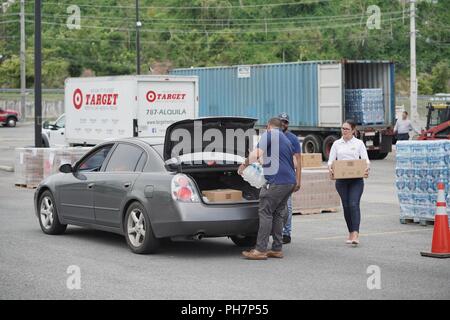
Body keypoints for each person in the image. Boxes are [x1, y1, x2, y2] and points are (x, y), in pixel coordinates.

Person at [238, 117, 296, 260]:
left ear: (268, 126)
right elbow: (293, 162)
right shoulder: (286, 139)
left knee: (265, 211)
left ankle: (260, 249)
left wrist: (244, 165)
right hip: (289, 182)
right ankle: (277, 248)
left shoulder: (269, 135)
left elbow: (256, 154)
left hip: (277, 182)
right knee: (277, 213)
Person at [327, 119, 370, 245]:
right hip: (341, 180)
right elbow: (331, 160)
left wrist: (367, 167)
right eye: (342, 128)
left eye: (347, 129)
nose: (344, 131)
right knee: (346, 206)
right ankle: (350, 232)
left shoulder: (359, 144)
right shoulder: (336, 144)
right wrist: (330, 167)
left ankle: (356, 233)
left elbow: (365, 160)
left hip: (356, 180)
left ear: (353, 130)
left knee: (353, 204)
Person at [278, 113, 302, 244]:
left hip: (288, 178)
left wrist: (298, 180)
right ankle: (277, 232)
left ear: (288, 124)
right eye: (281, 121)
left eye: (285, 122)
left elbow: (298, 161)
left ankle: (286, 233)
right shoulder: (272, 137)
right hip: (274, 178)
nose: (283, 124)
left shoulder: (293, 139)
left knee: (287, 206)